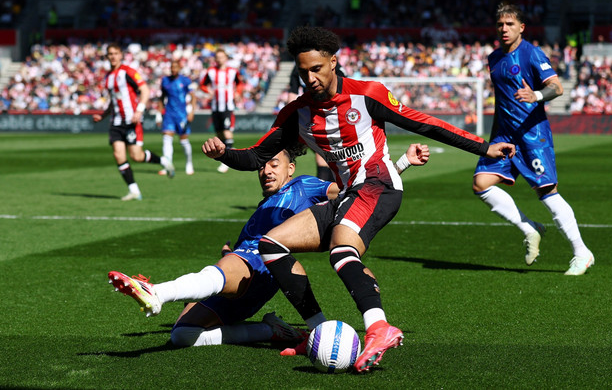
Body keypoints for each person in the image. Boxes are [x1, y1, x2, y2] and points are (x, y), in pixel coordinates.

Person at [202, 26, 515, 372]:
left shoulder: (367, 94)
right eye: (303, 71)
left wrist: (485, 147)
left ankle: (379, 328)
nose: (310, 78)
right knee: (271, 244)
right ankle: (317, 328)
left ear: (333, 62)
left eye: (316, 69)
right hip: (349, 194)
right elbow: (256, 157)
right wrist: (223, 154)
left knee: (341, 249)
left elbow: (423, 124)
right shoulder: (296, 114)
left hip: (379, 184)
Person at [108, 143, 429, 348]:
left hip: (261, 267)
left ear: (291, 167)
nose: (266, 170)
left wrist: (399, 164)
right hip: (239, 275)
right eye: (262, 166)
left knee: (228, 266)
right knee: (181, 336)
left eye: (274, 163)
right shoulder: (263, 207)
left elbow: (353, 194)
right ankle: (271, 332)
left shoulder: (306, 184)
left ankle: (157, 292)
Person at [472, 2, 594, 276]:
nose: (504, 29)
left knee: (546, 193)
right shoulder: (493, 59)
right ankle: (529, 228)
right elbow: (502, 101)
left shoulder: (531, 53)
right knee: (481, 183)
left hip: (532, 136)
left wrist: (536, 95)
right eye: (501, 24)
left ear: (521, 28)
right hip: (504, 135)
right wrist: (493, 138)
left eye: (510, 24)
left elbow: (557, 87)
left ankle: (581, 252)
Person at [93, 43, 174, 201]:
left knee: (136, 156)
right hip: (116, 122)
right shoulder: (108, 77)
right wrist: (102, 116)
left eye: (116, 53)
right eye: (110, 54)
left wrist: (139, 110)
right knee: (119, 155)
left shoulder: (128, 72)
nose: (113, 56)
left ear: (121, 55)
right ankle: (134, 190)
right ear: (107, 56)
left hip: (131, 120)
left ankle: (164, 161)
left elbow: (145, 90)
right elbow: (113, 101)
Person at [288, 62, 346, 182]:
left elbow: (292, 96)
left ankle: (328, 195)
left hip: (325, 115)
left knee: (327, 158)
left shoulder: (301, 65)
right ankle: (329, 195)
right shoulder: (329, 62)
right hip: (320, 116)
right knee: (326, 157)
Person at [200, 49, 241, 174]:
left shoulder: (233, 71)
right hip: (215, 106)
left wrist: (237, 92)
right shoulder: (211, 71)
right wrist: (208, 91)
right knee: (219, 134)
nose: (219, 59)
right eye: (217, 57)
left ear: (225, 58)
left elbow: (239, 84)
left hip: (227, 106)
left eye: (221, 57)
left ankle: (228, 160)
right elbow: (202, 85)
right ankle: (226, 155)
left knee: (227, 132)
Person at [157, 59, 196, 176]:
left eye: (176, 67)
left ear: (179, 68)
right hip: (169, 114)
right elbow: (162, 98)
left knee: (183, 140)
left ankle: (189, 163)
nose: (173, 70)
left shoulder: (185, 80)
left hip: (182, 115)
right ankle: (167, 165)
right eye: (172, 67)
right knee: (166, 140)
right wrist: (159, 115)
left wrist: (191, 112)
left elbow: (193, 97)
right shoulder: (165, 80)